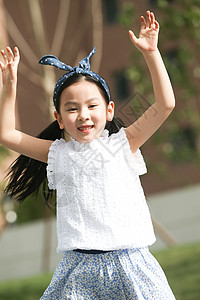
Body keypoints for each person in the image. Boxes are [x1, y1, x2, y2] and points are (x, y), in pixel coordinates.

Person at [0, 11, 176, 299]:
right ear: (59, 118)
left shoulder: (124, 143)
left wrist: (152, 52)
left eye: (92, 106)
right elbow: (7, 133)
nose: (83, 115)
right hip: (79, 270)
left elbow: (165, 104)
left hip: (131, 264)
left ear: (108, 111)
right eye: (72, 109)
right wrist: (10, 85)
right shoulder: (57, 153)